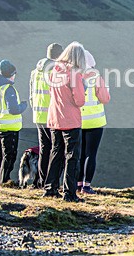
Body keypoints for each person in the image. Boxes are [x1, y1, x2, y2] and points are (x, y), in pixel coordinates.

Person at [44, 41, 86, 202]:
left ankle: (50, 188)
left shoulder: (54, 70)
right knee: (72, 156)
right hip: (70, 120)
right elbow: (80, 100)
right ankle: (69, 193)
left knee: (55, 153)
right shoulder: (74, 73)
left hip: (54, 118)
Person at [0, 59, 28, 186]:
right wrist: (23, 105)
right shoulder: (8, 89)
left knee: (0, 157)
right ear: (10, 74)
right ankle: (4, 183)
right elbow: (13, 110)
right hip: (9, 129)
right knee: (9, 157)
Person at [30, 42, 63, 188]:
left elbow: (32, 94)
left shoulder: (35, 72)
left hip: (38, 114)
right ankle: (50, 182)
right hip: (51, 115)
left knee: (44, 148)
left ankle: (41, 181)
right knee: (55, 150)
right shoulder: (54, 71)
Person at [78, 50, 110, 195]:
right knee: (91, 154)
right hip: (95, 121)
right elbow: (105, 98)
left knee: (79, 154)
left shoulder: (74, 77)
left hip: (78, 121)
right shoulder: (97, 77)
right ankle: (87, 186)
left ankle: (77, 184)